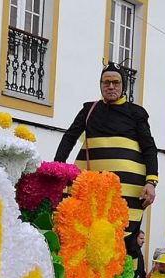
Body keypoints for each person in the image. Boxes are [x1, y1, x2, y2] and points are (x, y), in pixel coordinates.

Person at [54, 61, 158, 236]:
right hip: (92, 191)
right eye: (106, 82)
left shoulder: (136, 113)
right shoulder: (89, 110)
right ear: (101, 85)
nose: (111, 87)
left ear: (123, 85)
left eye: (115, 82)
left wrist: (151, 181)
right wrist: (57, 168)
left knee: (125, 242)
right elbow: (69, 137)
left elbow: (149, 147)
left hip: (127, 193)